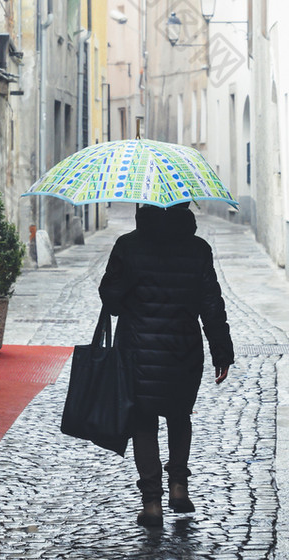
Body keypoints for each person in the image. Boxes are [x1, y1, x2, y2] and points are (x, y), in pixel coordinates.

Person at [98, 202, 234, 528]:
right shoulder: (198, 248)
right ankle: (178, 487)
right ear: (184, 207)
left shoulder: (128, 245)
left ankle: (152, 504)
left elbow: (111, 300)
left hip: (138, 351)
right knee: (178, 415)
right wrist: (222, 351)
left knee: (143, 423)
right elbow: (211, 304)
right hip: (184, 350)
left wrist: (127, 277)